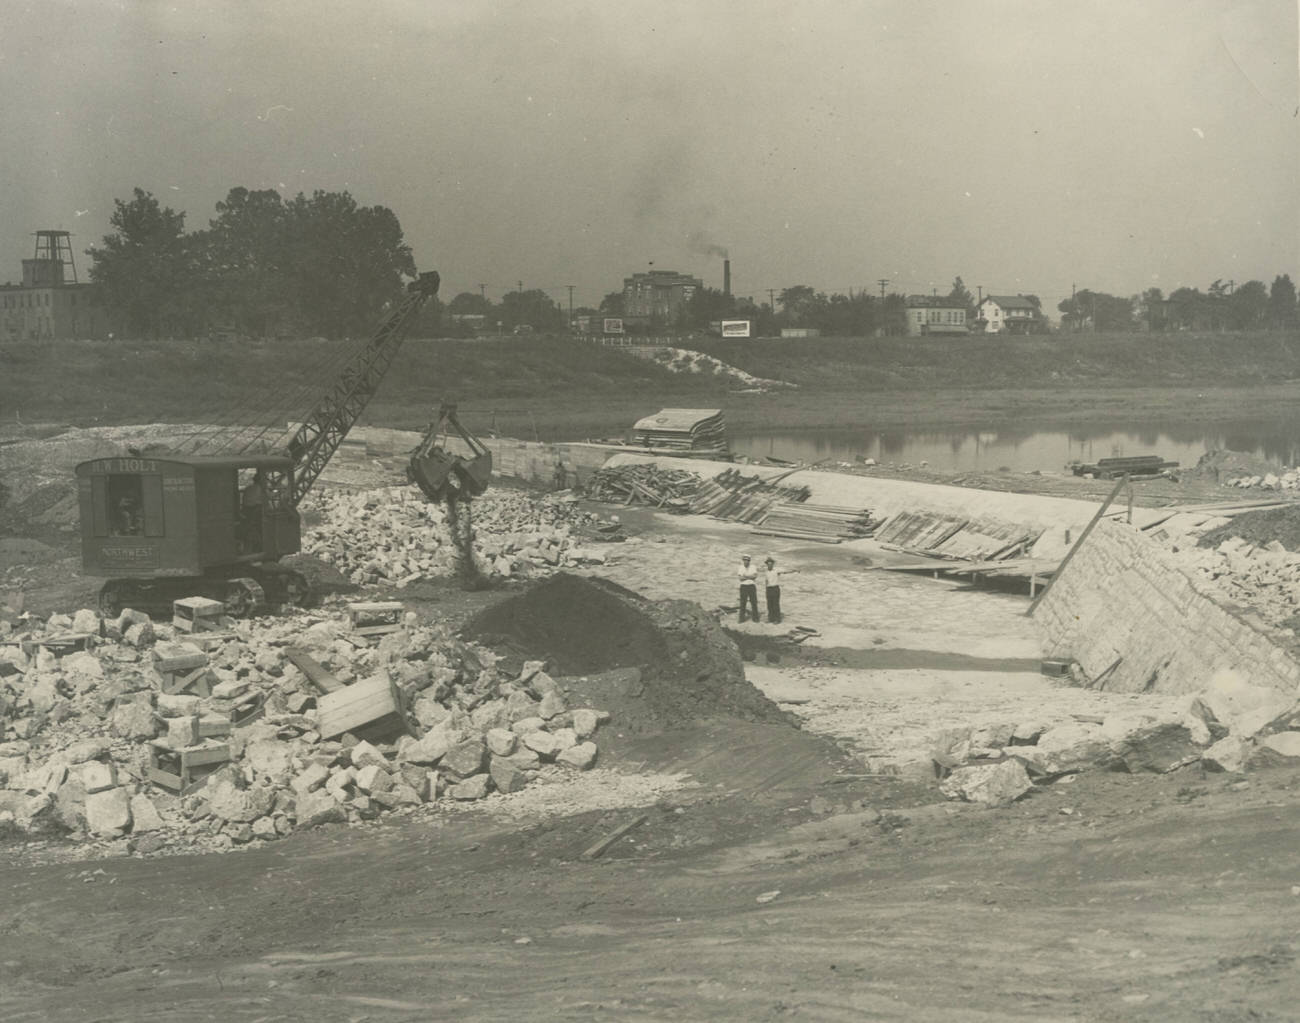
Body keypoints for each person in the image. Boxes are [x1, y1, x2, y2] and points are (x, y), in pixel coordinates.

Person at [763, 555, 798, 624]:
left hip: (775, 588)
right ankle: (771, 618)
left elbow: (786, 571)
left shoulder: (776, 570)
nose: (769, 565)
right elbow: (766, 581)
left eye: (771, 564)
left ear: (773, 564)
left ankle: (777, 619)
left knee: (776, 604)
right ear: (767, 564)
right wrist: (766, 588)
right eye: (768, 564)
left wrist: (794, 570)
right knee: (769, 605)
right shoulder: (766, 571)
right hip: (769, 589)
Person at [240, 469, 267, 551]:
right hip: (255, 512)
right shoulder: (260, 489)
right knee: (262, 527)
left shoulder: (248, 488)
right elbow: (267, 499)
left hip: (245, 511)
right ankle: (261, 547)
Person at [737, 553, 760, 622]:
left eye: (747, 560)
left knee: (754, 602)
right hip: (743, 586)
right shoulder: (740, 567)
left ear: (749, 561)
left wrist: (746, 576)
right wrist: (750, 576)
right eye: (745, 560)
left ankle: (755, 618)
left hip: (751, 586)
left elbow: (755, 576)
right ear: (743, 560)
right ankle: (741, 619)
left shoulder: (753, 567)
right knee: (743, 603)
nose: (746, 561)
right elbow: (740, 578)